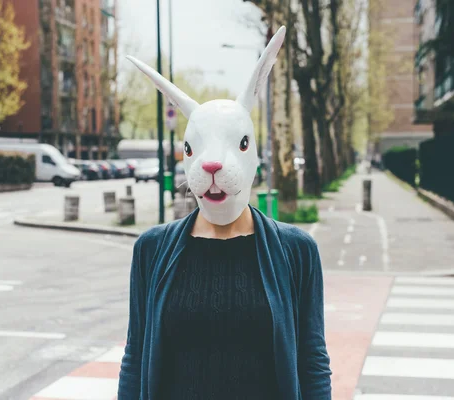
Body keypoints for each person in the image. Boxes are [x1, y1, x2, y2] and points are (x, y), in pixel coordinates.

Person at [118, 26, 332, 400]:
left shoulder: (296, 251)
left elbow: (312, 361)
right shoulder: (151, 250)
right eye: (192, 150)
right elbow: (135, 357)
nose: (212, 164)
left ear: (251, 153)